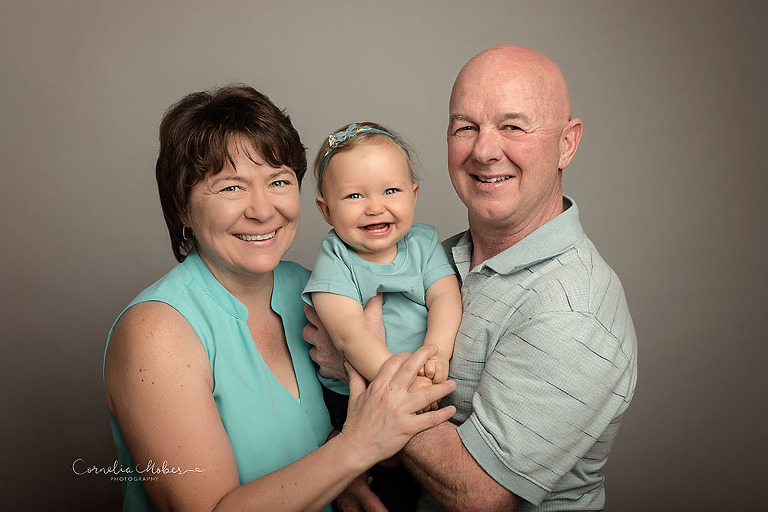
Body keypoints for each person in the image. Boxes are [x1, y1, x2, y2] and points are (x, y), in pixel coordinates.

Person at [304, 45, 638, 511]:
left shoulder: (572, 310)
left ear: (567, 143)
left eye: (512, 126)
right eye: (465, 127)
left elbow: (478, 495)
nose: (483, 151)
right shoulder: (440, 256)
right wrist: (341, 469)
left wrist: (358, 370)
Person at [103, 85, 457, 512]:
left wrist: (339, 479)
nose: (263, 210)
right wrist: (354, 448)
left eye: (278, 181)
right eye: (231, 188)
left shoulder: (310, 289)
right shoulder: (154, 333)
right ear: (182, 208)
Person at [302, 122, 462, 511]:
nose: (375, 207)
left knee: (422, 487)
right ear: (326, 210)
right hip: (354, 396)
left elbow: (445, 296)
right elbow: (348, 334)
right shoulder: (336, 258)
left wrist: (438, 351)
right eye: (354, 195)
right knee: (379, 492)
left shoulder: (423, 243)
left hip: (421, 380)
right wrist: (399, 384)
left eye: (390, 191)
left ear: (413, 194)